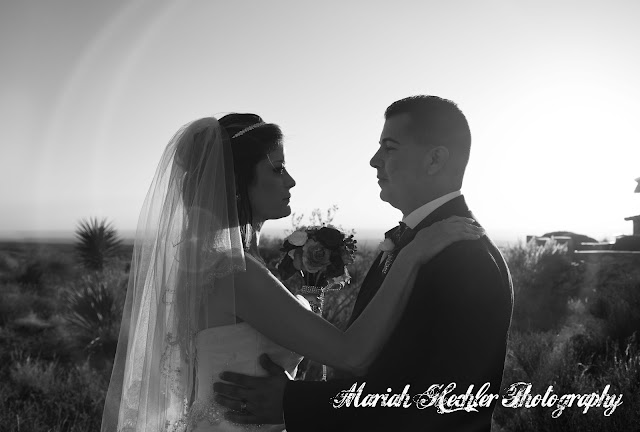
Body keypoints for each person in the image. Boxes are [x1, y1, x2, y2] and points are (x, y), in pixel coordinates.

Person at [101, 112, 482, 432]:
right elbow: (352, 355)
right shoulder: (235, 272)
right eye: (277, 168)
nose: (290, 181)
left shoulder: (206, 262)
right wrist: (411, 256)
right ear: (238, 182)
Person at [213, 96, 514, 431]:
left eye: (389, 147)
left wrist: (295, 402)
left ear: (435, 159)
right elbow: (368, 366)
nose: (374, 160)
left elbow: (448, 401)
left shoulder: (466, 257)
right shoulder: (410, 244)